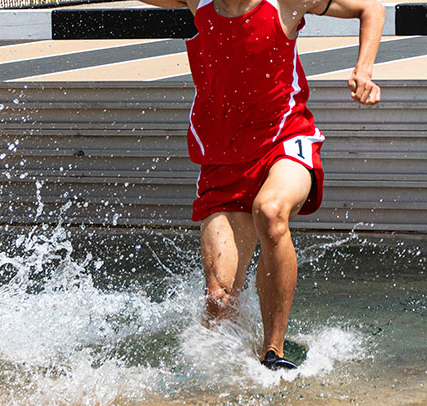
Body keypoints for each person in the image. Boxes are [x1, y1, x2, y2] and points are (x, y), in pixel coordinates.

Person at [138, 0, 384, 368]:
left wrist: (363, 71)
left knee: (270, 212)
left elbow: (371, 9)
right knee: (218, 301)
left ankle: (274, 353)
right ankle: (228, 375)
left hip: (285, 143)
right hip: (223, 160)